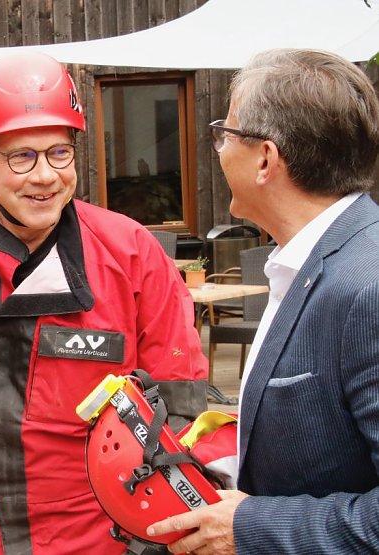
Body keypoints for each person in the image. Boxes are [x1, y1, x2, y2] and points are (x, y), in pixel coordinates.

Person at [0, 51, 209, 555]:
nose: (44, 176)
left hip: (103, 540)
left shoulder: (132, 255)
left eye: (60, 153)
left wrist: (151, 543)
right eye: (21, 157)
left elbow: (181, 412)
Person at [147, 48, 379, 554]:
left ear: (266, 159)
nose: (218, 150)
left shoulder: (369, 288)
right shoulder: (304, 262)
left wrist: (251, 525)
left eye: (224, 135)